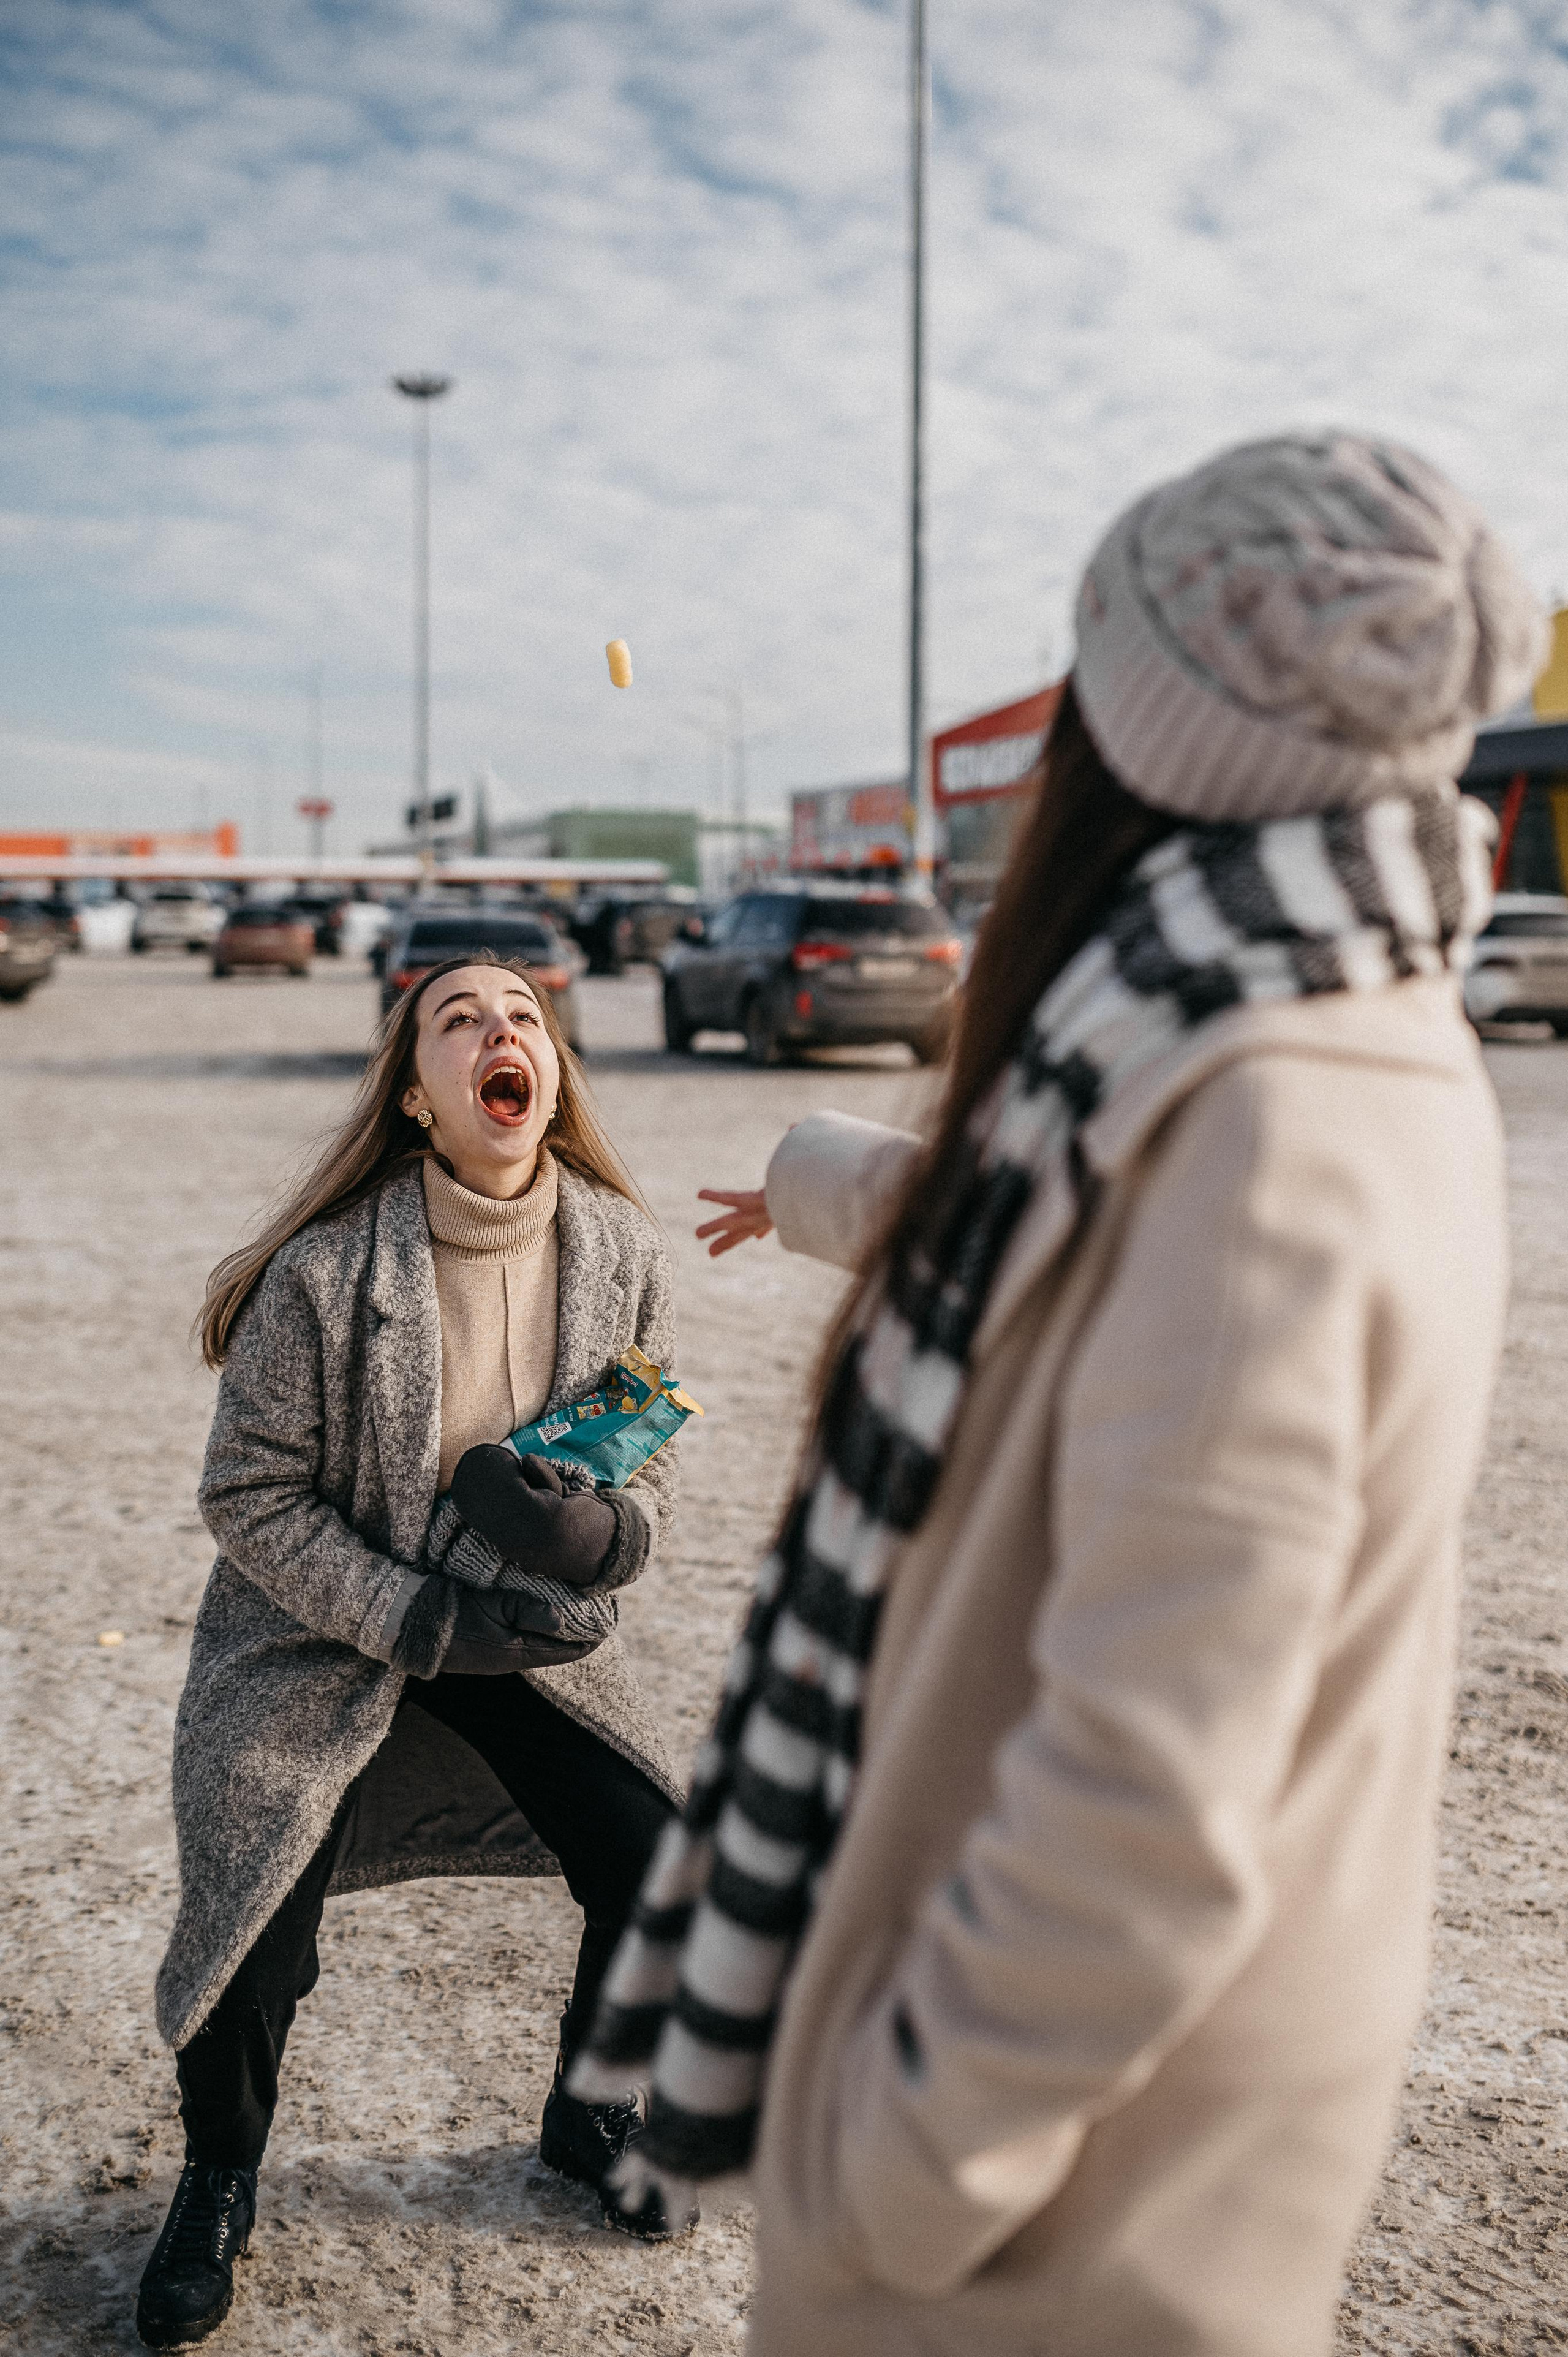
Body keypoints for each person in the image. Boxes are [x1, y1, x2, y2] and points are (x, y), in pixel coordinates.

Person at [576, 434, 1545, 2355]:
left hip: (1063, 2217)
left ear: (1160, 737)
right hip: (1147, 2131)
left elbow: (1148, 1801)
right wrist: (816, 1185)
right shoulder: (1322, 1008)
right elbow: (1074, 1247)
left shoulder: (1267, 1116)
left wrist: (896, 2165)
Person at [136, 953, 691, 2353]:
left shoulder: (619, 1249)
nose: (502, 1031)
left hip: (528, 1636)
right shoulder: (325, 1274)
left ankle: (590, 2109)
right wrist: (414, 1616)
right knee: (254, 1907)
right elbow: (249, 1495)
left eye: (525, 1017)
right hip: (324, 1637)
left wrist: (599, 1538)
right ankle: (219, 2174)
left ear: (549, 1073)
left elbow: (651, 1458)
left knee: (656, 1856)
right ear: (417, 1098)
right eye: (461, 1020)